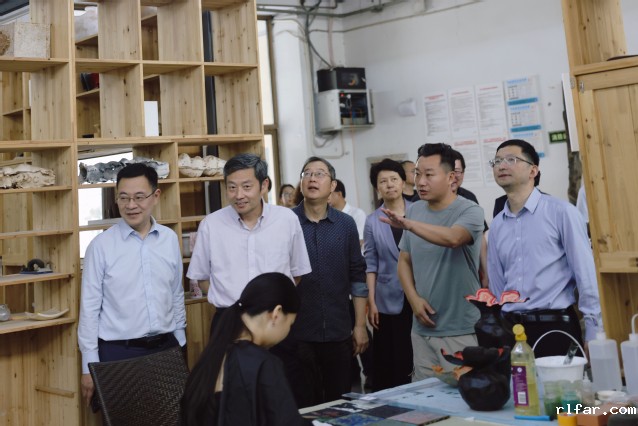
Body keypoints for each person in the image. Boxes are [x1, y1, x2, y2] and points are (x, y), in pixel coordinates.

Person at [78, 163, 186, 407]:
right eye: (124, 197)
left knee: (173, 418)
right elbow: (89, 309)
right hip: (118, 353)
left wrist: (180, 341)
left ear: (155, 196)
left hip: (166, 348)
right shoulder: (101, 246)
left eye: (139, 197)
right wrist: (88, 365)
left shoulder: (169, 239)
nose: (131, 205)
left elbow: (176, 293)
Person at [487, 139, 601, 357]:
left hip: (556, 326)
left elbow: (585, 274)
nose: (501, 166)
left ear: (533, 170)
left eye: (511, 160)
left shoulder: (561, 212)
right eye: (497, 161)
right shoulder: (497, 225)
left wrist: (594, 328)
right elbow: (497, 285)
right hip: (512, 331)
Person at [381, 143, 483, 380]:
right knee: (424, 395)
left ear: (451, 177)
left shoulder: (470, 211)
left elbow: (453, 238)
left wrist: (408, 224)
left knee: (463, 395)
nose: (420, 182)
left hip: (460, 328)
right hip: (422, 328)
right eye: (417, 174)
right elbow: (404, 261)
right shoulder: (415, 210)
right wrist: (414, 300)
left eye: (429, 175)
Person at [187, 153, 311, 335]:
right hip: (229, 321)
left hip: (275, 321)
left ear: (264, 185)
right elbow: (202, 277)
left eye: (246, 187)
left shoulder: (287, 220)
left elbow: (297, 273)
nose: (239, 195)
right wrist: (227, 300)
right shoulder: (211, 225)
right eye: (232, 187)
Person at [280, 156, 368, 407]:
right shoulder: (286, 222)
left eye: (320, 174)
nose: (312, 178)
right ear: (301, 183)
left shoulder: (346, 224)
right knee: (303, 405)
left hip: (338, 330)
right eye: (307, 173)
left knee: (339, 403)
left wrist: (359, 325)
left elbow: (357, 276)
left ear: (333, 185)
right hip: (297, 332)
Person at [181, 272, 311, 426]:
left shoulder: (211, 356)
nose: (287, 331)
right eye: (290, 324)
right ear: (276, 314)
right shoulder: (263, 364)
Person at [364, 158, 413, 391]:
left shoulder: (419, 212)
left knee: (414, 354)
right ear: (377, 188)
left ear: (403, 183)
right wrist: (371, 301)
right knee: (389, 358)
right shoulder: (372, 221)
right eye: (383, 181)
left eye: (394, 179)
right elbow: (371, 263)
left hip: (419, 294)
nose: (389, 184)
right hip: (386, 298)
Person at [450, 149, 489, 287]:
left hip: (469, 272)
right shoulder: (422, 202)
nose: (453, 176)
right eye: (449, 171)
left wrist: (486, 273)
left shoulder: (469, 198)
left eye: (457, 171)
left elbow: (480, 237)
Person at [328, 179, 367, 244]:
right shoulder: (327, 217)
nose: (326, 198)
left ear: (339, 194)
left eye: (329, 193)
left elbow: (360, 241)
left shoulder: (357, 214)